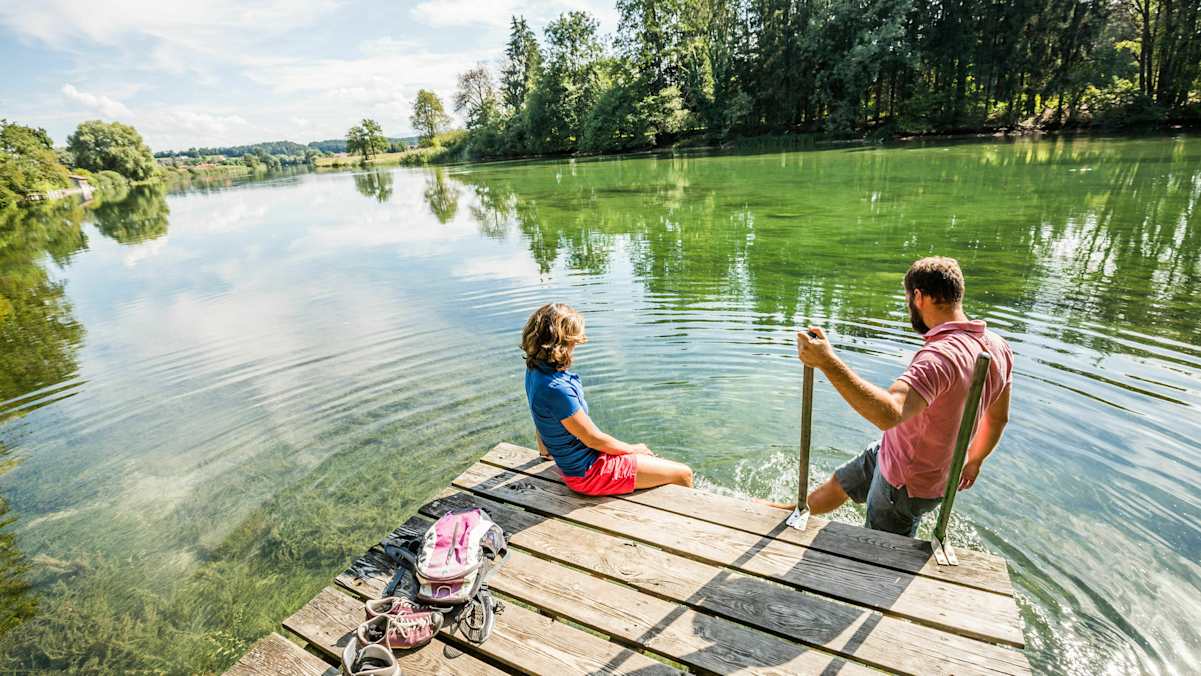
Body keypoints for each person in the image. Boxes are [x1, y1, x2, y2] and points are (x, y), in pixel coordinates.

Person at [794, 257, 1013, 537]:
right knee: (840, 484)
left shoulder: (939, 357)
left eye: (909, 298)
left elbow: (888, 413)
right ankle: (782, 511)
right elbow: (998, 419)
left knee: (880, 554)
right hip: (902, 454)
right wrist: (974, 460)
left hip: (905, 485)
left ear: (919, 297)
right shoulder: (998, 347)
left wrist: (827, 361)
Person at [522, 303, 694, 496]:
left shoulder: (534, 371)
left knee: (657, 465)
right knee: (683, 474)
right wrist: (633, 449)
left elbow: (539, 415)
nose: (576, 346)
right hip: (588, 473)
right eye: (574, 341)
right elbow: (594, 439)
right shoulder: (557, 389)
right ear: (563, 343)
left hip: (575, 465)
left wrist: (544, 451)